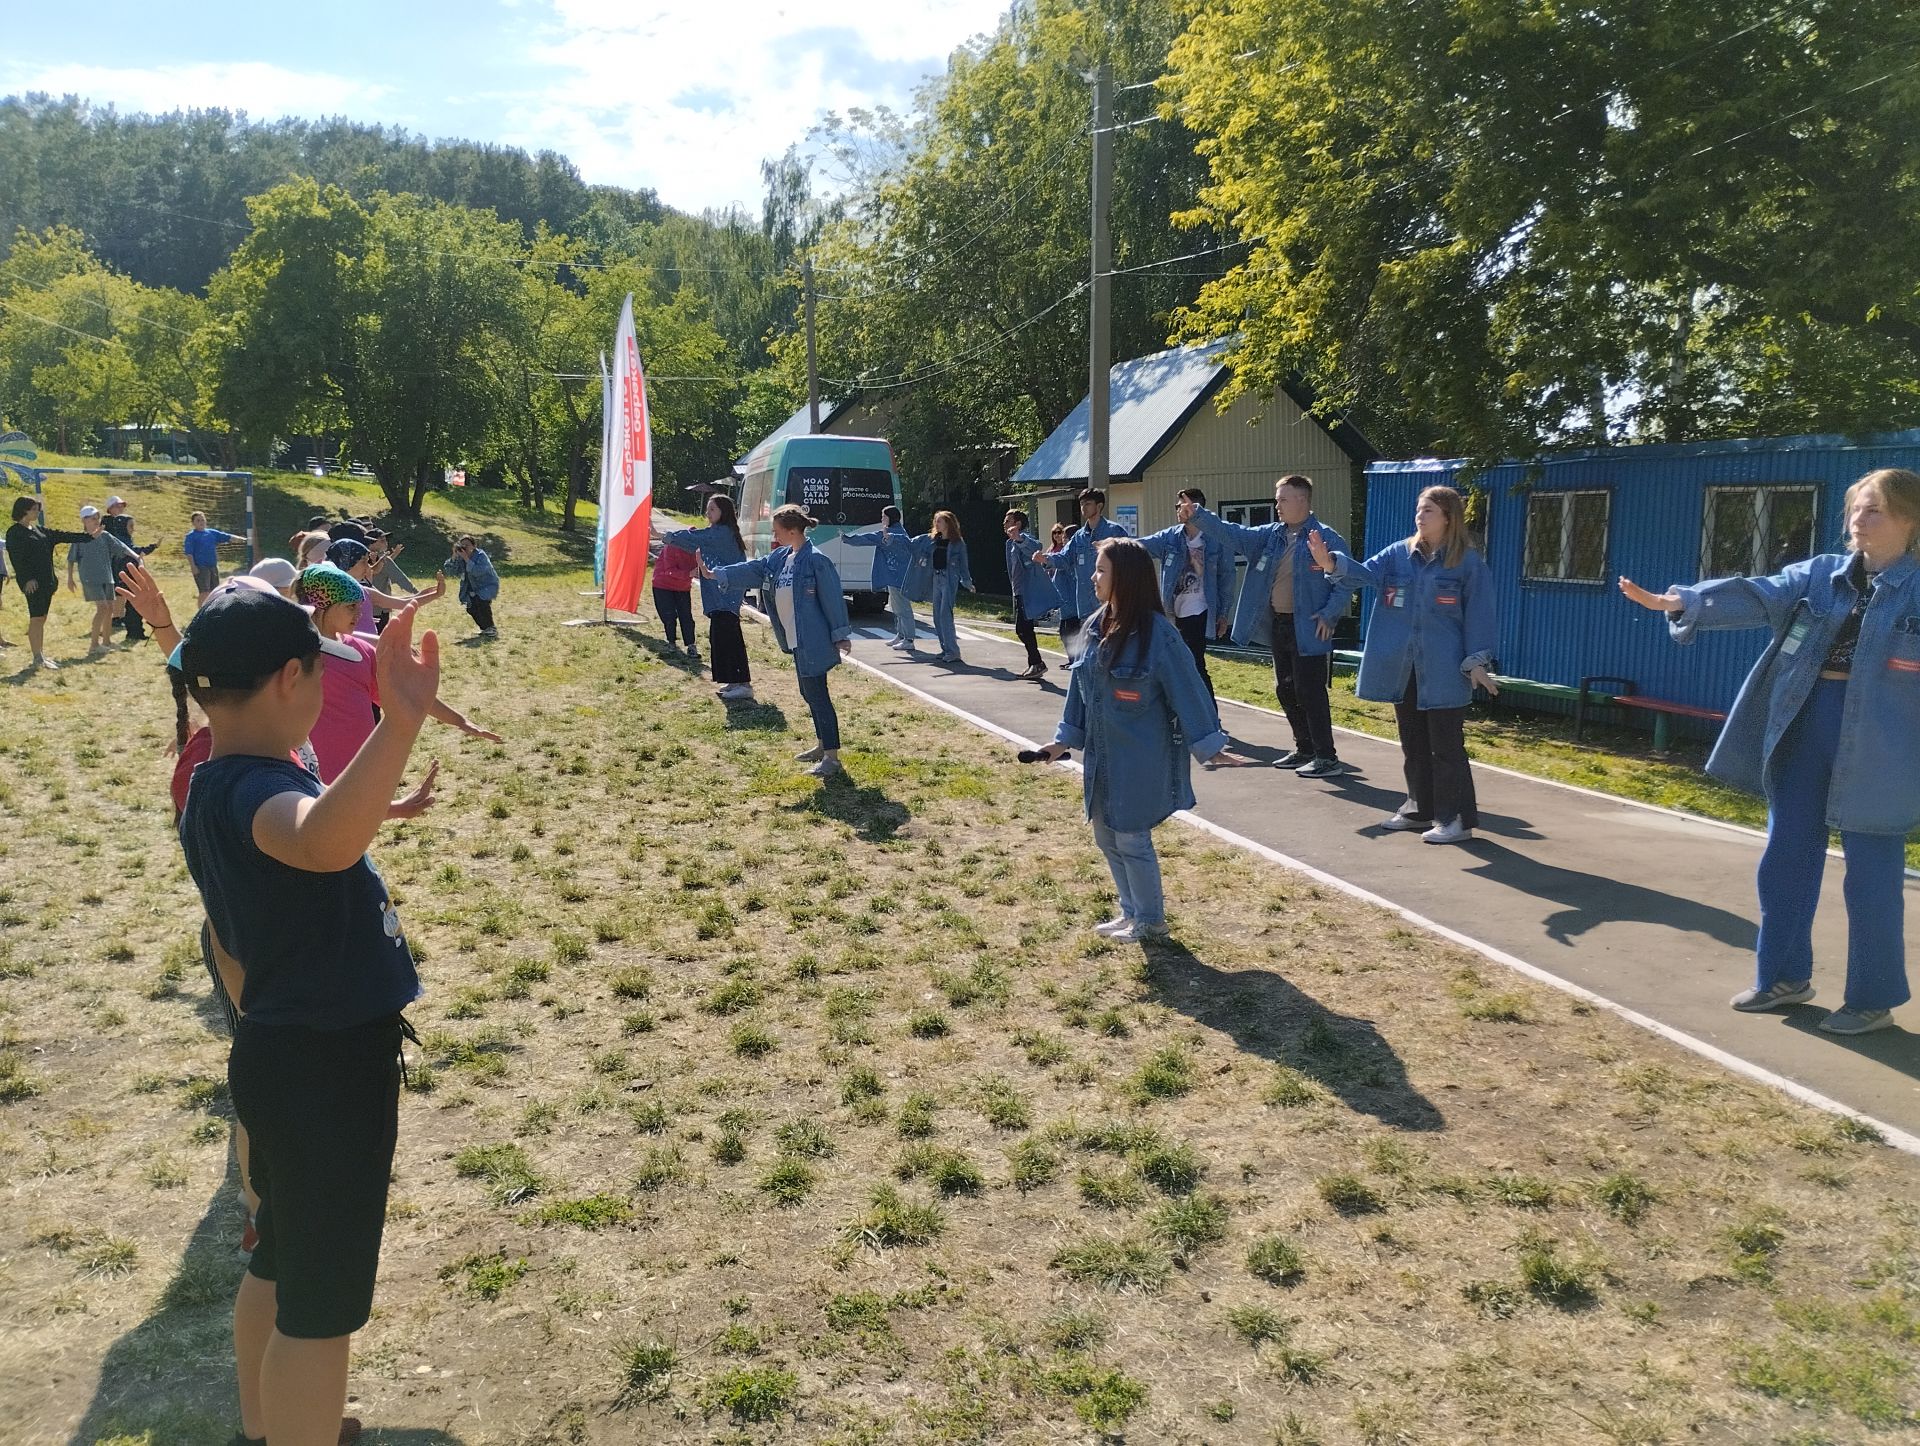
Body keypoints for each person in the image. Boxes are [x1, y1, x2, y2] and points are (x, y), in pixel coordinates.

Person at [174, 586, 438, 1446]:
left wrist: (260, 1034)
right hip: (326, 1067)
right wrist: (396, 727)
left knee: (279, 1261)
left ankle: (266, 1428)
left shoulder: (211, 782)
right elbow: (322, 841)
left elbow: (226, 939)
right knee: (320, 1311)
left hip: (279, 1051)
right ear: (292, 676)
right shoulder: (259, 789)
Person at [1619, 467, 1920, 1036]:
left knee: (1872, 875)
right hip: (1805, 725)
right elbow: (1761, 593)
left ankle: (1871, 999)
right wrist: (1682, 600)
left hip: (1885, 747)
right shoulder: (1822, 575)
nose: (1858, 517)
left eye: (1874, 509)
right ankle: (1783, 977)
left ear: (1910, 518)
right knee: (1786, 856)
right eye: (1856, 506)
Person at [1035, 538, 1247, 941]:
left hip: (1141, 758)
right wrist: (1062, 741)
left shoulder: (1159, 637)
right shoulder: (1093, 625)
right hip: (1102, 757)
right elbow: (1078, 689)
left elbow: (1190, 689)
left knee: (1131, 837)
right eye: (1095, 569)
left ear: (1126, 579)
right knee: (1105, 834)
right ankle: (1130, 912)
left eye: (1101, 570)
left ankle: (1151, 922)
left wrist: (1210, 745)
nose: (1094, 577)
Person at [1307, 486, 1498, 844]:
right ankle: (1419, 809)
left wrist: (1476, 661)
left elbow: (1480, 614)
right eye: (1418, 509)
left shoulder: (1468, 563)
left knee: (1446, 747)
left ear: (1447, 517)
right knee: (1412, 743)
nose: (1419, 516)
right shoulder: (1399, 554)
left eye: (1428, 510)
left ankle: (1455, 819)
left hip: (1444, 670)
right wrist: (1330, 561)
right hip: (1404, 668)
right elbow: (1365, 574)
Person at [1189, 474, 1357, 777]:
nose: (1276, 504)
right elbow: (1232, 533)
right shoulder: (1270, 536)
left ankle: (1326, 757)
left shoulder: (1326, 537)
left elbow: (1347, 581)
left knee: (1310, 690)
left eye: (1282, 499)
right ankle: (1304, 748)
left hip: (1309, 627)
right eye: (1277, 499)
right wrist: (1200, 515)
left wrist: (1330, 614)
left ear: (1302, 500)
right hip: (1279, 623)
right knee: (1285, 688)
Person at [297, 565, 500, 783]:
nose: (359, 614)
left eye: (360, 606)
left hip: (361, 770)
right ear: (320, 606)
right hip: (315, 776)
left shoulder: (361, 652)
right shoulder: (299, 655)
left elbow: (404, 695)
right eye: (350, 607)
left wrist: (459, 721)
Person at [700, 504, 853, 777]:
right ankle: (822, 746)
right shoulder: (781, 557)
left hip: (813, 640)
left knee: (817, 695)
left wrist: (840, 635)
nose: (775, 536)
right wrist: (718, 573)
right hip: (796, 639)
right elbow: (754, 569)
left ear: (793, 531)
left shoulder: (816, 560)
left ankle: (832, 758)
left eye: (778, 531)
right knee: (809, 693)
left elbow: (832, 597)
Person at [1137, 488, 1235, 698]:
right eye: (1176, 506)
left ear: (1194, 509)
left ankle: (1209, 716)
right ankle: (1188, 714)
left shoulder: (1216, 538)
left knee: (1195, 662)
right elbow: (1141, 545)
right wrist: (1115, 543)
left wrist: (1224, 614)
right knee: (1180, 664)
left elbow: (1227, 576)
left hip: (1201, 610)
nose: (1177, 510)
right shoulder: (1170, 537)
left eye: (1180, 506)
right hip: (1173, 612)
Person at [662, 496, 754, 703]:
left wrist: (667, 536)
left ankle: (743, 684)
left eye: (712, 509)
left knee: (729, 639)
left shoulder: (721, 533)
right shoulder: (721, 531)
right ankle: (733, 680)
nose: (708, 513)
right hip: (720, 596)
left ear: (724, 512)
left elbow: (696, 538)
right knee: (720, 638)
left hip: (726, 596)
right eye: (707, 509)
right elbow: (697, 540)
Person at [1035, 488, 1128, 646]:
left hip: (1109, 606)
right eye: (1081, 503)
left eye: (1088, 503)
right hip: (1085, 606)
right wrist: (1045, 559)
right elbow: (1064, 558)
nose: (1083, 507)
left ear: (1099, 506)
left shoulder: (1114, 531)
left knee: (1111, 649)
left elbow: (1128, 562)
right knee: (1088, 651)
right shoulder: (1079, 536)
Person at [7, 494, 90, 669]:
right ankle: (37, 657)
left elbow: (64, 535)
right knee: (36, 618)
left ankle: (40, 654)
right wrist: (27, 580)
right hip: (33, 584)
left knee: (42, 618)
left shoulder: (40, 531)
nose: (37, 512)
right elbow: (17, 559)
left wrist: (89, 536)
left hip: (47, 583)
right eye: (34, 509)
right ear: (24, 510)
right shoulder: (15, 532)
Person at [326, 538, 443, 637]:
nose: (369, 567)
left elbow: (402, 602)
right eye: (363, 562)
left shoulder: (362, 590)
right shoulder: (335, 595)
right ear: (347, 563)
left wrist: (433, 594)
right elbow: (340, 635)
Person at [66, 505, 142, 652]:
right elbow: (71, 559)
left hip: (107, 577)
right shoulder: (80, 538)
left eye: (97, 518)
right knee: (103, 608)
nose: (96, 521)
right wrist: (70, 578)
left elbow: (122, 547)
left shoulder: (105, 536)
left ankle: (107, 642)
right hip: (90, 578)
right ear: (84, 520)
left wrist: (136, 557)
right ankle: (94, 645)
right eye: (92, 518)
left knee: (110, 609)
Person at [843, 506, 918, 650]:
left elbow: (867, 538)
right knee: (897, 607)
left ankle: (908, 639)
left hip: (898, 577)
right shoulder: (898, 531)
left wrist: (847, 539)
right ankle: (901, 635)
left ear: (890, 518)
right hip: (895, 576)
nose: (881, 519)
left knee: (903, 608)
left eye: (884, 516)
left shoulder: (889, 533)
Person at [905, 510, 974, 664]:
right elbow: (915, 546)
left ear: (948, 523)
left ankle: (953, 651)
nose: (936, 524)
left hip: (949, 579)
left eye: (940, 521)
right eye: (936, 521)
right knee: (937, 615)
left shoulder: (957, 543)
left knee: (945, 615)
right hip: (936, 578)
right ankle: (945, 649)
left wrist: (967, 582)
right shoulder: (933, 540)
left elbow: (964, 564)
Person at [1003, 509, 1056, 680]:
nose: (1004, 524)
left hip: (1027, 591)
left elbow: (1036, 547)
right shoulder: (1009, 544)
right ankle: (1034, 664)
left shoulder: (1025, 539)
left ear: (1017, 524)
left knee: (1023, 629)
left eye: (1008, 520)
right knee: (1024, 629)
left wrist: (1019, 538)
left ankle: (1037, 663)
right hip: (1018, 591)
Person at [102, 496, 158, 641]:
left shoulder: (123, 528)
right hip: (116, 568)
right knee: (120, 596)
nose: (120, 509)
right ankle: (117, 620)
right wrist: (148, 549)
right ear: (110, 508)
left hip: (125, 569)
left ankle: (121, 620)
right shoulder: (106, 524)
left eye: (122, 506)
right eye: (117, 506)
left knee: (124, 596)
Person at [437, 535, 499, 639]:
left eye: (467, 545)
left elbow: (478, 572)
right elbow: (451, 572)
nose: (465, 547)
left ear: (474, 546)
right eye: (462, 545)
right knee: (471, 608)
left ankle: (491, 628)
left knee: (482, 604)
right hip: (470, 587)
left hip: (486, 585)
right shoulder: (461, 556)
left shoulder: (481, 555)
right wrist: (454, 555)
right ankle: (485, 628)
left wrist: (466, 559)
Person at [651, 533, 700, 659]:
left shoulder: (699, 550)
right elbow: (669, 570)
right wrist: (689, 573)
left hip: (683, 586)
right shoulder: (672, 546)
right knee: (669, 616)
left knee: (686, 616)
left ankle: (691, 645)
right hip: (662, 584)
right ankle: (671, 642)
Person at [362, 532, 419, 632]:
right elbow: (400, 578)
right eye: (382, 540)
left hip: (363, 606)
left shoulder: (360, 558)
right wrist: (417, 593)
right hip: (380, 608)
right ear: (371, 543)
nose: (386, 543)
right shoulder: (384, 560)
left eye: (386, 540)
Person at [185, 512, 247, 602]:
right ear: (193, 523)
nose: (201, 522)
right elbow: (189, 553)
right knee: (204, 592)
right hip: (201, 567)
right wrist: (193, 567)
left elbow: (227, 537)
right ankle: (201, 612)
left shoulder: (211, 533)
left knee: (215, 591)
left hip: (213, 566)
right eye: (198, 520)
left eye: (203, 520)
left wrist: (243, 540)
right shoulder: (191, 536)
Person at [1045, 522, 1076, 643]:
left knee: (1069, 632)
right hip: (1061, 598)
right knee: (1064, 632)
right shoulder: (1052, 549)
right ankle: (1072, 660)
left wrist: (1046, 559)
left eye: (1061, 534)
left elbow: (1060, 561)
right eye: (1055, 533)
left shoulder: (1069, 553)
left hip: (1071, 601)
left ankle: (1074, 660)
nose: (1059, 537)